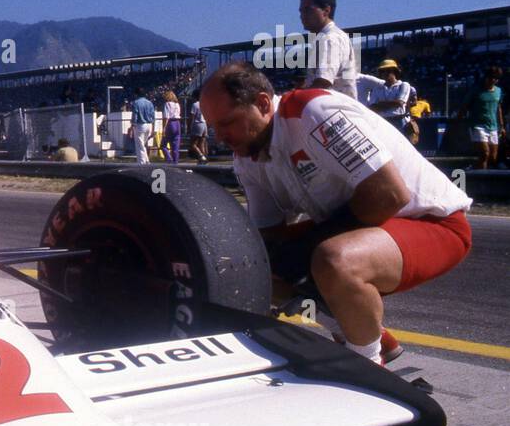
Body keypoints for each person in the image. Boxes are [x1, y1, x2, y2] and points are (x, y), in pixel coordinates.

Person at [200, 61, 472, 365]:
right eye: (213, 128)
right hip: (373, 225)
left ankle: (367, 365)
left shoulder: (313, 112)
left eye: (227, 122)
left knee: (332, 260)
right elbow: (268, 238)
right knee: (255, 267)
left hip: (434, 222)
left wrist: (304, 254)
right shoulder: (246, 158)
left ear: (263, 103)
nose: (220, 137)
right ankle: (371, 335)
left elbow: (388, 195)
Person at [298, 0, 359, 99]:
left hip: (334, 109)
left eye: (307, 9)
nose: (302, 15)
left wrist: (297, 100)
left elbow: (323, 82)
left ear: (326, 10)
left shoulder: (329, 38)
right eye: (301, 11)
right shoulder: (333, 36)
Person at [453, 66, 504, 170]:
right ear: (486, 77)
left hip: (493, 127)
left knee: (493, 157)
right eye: (491, 78)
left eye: (496, 78)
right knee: (485, 153)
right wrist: (457, 123)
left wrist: (501, 126)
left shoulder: (498, 91)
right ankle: (481, 179)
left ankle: (473, 168)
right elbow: (464, 107)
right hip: (478, 126)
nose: (493, 80)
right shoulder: (475, 91)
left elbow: (498, 108)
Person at [359, 59, 413, 132]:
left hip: (399, 120)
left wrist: (380, 104)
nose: (385, 73)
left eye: (388, 71)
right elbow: (372, 107)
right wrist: (392, 103)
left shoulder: (403, 85)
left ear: (394, 71)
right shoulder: (377, 88)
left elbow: (399, 103)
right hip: (383, 122)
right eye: (382, 71)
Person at [130, 88, 155, 164]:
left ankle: (142, 163)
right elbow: (153, 116)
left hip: (140, 125)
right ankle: (147, 160)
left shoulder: (136, 103)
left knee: (139, 145)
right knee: (142, 144)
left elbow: (135, 116)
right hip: (149, 125)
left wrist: (132, 126)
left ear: (136, 94)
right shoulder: (150, 103)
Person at [161, 90, 182, 163]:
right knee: (175, 145)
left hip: (170, 123)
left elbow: (166, 117)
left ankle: (169, 159)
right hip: (177, 123)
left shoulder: (167, 104)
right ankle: (175, 162)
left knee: (163, 144)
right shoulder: (177, 104)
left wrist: (164, 128)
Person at [188, 91, 209, 163]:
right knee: (202, 143)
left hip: (197, 124)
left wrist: (189, 127)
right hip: (204, 124)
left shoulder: (195, 105)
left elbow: (192, 117)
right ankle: (204, 158)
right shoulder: (205, 104)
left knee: (192, 144)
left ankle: (201, 156)